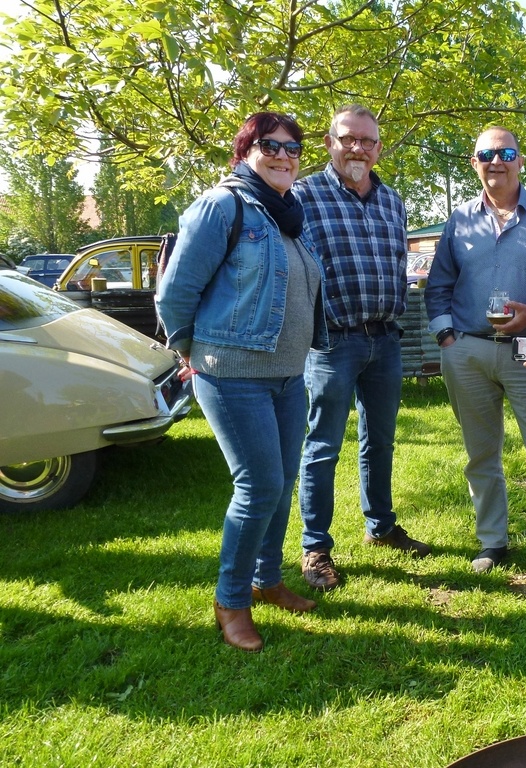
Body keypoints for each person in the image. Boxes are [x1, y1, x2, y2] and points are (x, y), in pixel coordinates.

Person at [156, 112, 327, 652]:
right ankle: (231, 600)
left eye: (293, 148)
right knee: (259, 486)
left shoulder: (287, 215)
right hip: (232, 374)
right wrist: (188, 350)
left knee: (282, 483)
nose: (283, 156)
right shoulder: (222, 206)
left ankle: (266, 579)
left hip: (287, 375)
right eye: (270, 145)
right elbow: (175, 292)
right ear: (245, 151)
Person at [424, 126, 526, 577]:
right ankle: (492, 540)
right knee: (480, 455)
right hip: (468, 352)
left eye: (506, 153)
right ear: (474, 163)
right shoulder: (459, 220)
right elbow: (439, 284)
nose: (496, 161)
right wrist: (446, 339)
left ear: (520, 161)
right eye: (486, 154)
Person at [293, 104, 431, 593]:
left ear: (378, 148)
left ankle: (382, 526)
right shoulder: (303, 195)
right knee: (323, 445)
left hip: (385, 339)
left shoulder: (392, 201)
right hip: (332, 342)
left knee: (380, 440)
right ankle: (315, 547)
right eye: (348, 139)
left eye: (367, 141)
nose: (358, 148)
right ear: (329, 142)